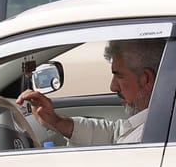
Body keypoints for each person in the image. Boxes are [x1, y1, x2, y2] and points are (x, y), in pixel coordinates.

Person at [17, 38, 165, 146]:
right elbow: (116, 133)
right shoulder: (156, 122)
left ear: (146, 79)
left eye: (119, 76)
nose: (113, 87)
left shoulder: (147, 139)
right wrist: (58, 122)